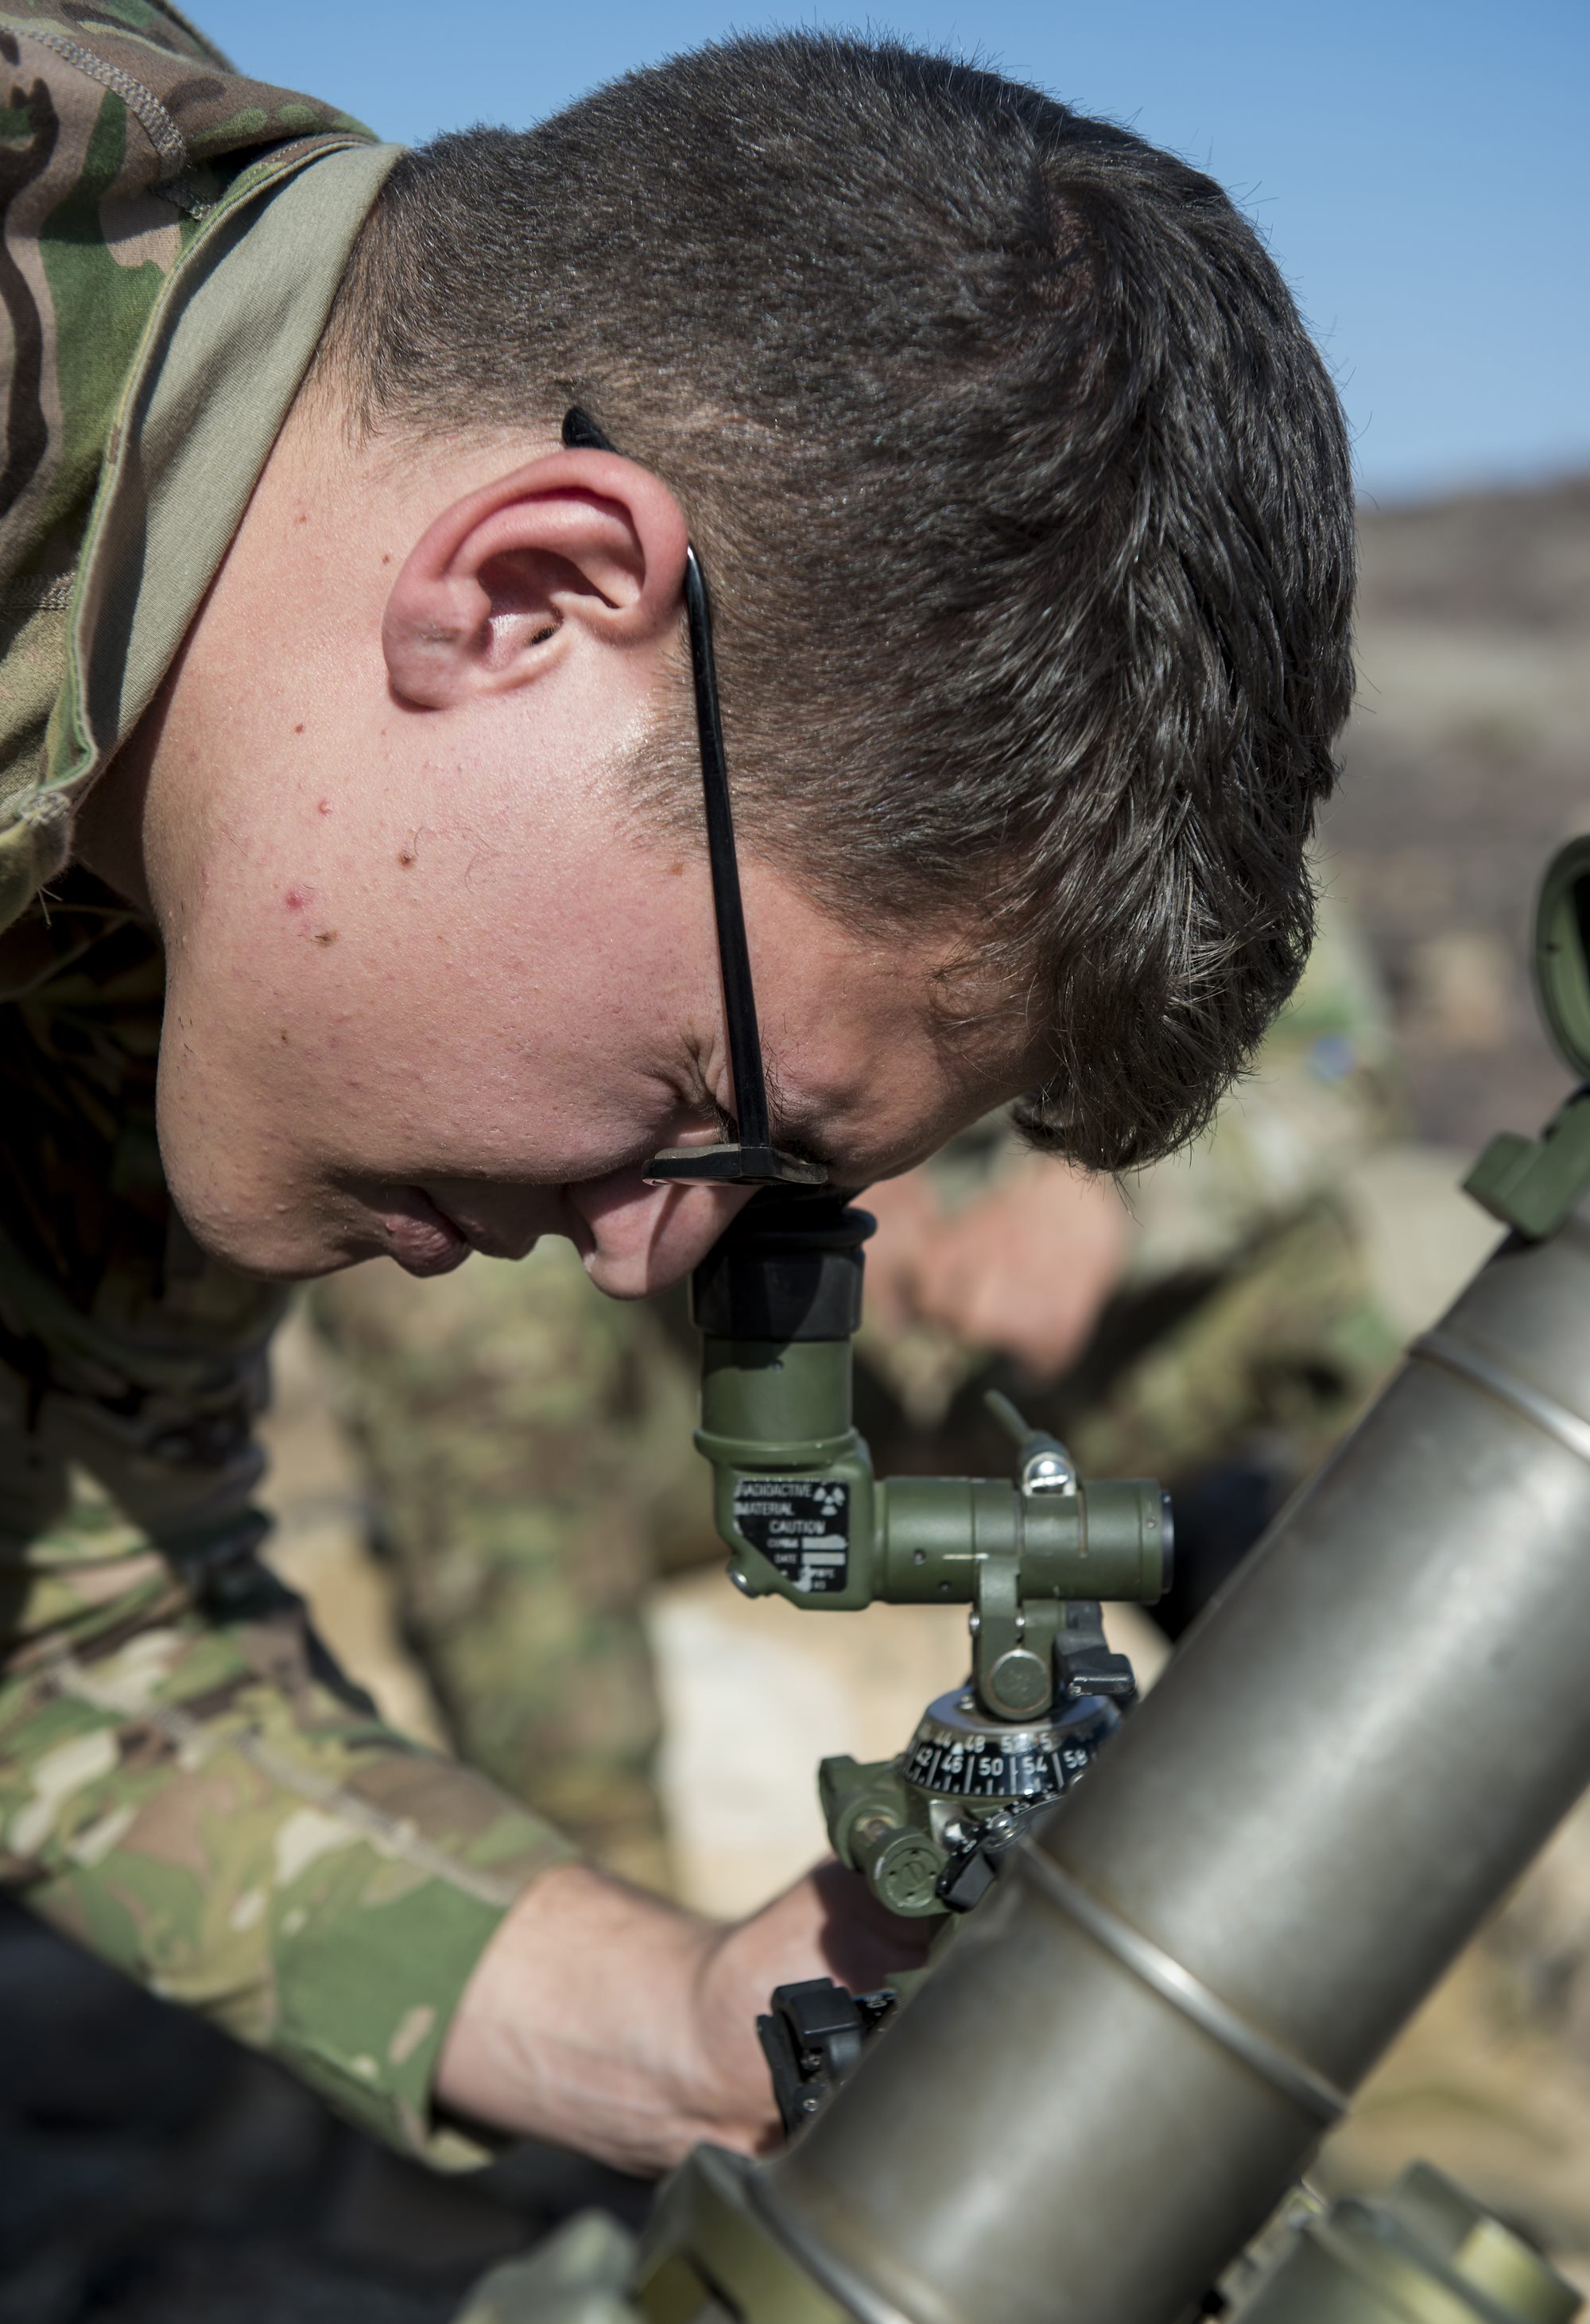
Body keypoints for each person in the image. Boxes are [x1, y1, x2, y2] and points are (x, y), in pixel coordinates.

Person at [0, 2, 1355, 2181]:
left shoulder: (224, 863)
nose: (643, 1251)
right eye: (710, 1108)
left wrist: (690, 2028)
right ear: (531, 599)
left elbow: (63, 1621)